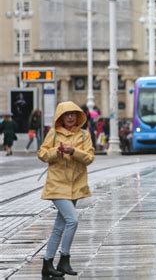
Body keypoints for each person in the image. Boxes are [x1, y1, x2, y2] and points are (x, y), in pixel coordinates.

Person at [38, 101, 95, 278]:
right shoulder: (54, 133)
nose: (70, 117)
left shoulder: (84, 135)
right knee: (73, 220)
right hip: (57, 184)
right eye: (67, 114)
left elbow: (90, 157)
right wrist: (57, 151)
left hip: (75, 185)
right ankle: (64, 259)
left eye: (73, 114)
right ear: (61, 117)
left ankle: (48, 264)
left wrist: (74, 151)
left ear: (78, 117)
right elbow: (42, 154)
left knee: (59, 226)